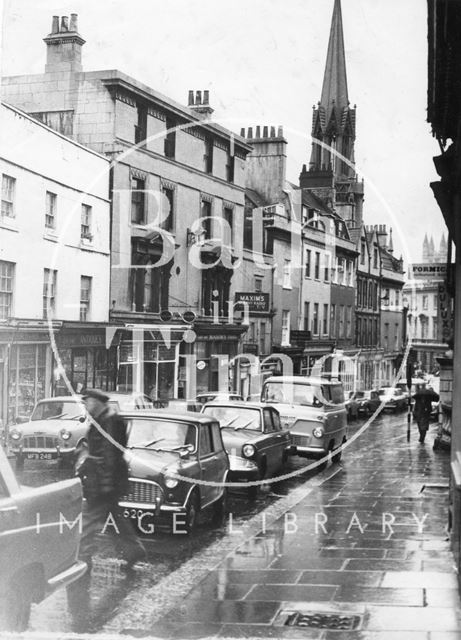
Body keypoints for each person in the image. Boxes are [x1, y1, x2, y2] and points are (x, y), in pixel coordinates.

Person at [75, 388, 146, 568]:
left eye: (88, 401)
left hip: (104, 482)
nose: (85, 405)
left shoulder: (110, 421)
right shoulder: (101, 419)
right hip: (104, 481)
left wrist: (104, 485)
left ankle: (83, 557)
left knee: (89, 522)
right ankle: (134, 551)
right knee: (117, 521)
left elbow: (110, 455)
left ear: (97, 401)